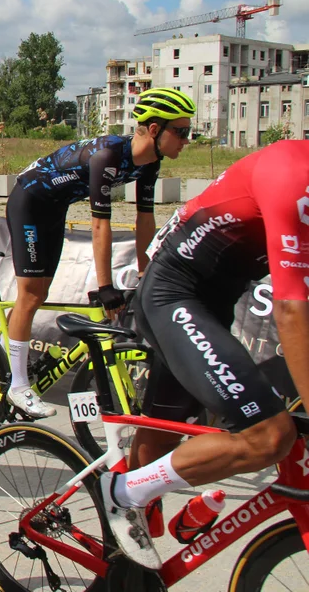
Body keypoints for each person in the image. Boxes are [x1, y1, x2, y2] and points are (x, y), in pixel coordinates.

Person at [97, 139, 309, 570]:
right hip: (175, 292)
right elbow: (291, 310)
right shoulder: (291, 173)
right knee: (270, 435)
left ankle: (129, 539)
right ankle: (120, 494)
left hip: (214, 298)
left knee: (165, 431)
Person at [4, 87, 194, 418]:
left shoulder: (150, 163)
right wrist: (105, 287)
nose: (186, 140)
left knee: (39, 291)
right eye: (181, 131)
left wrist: (145, 272)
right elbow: (99, 225)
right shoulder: (107, 155)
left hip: (55, 207)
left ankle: (12, 361)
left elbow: (144, 219)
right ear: (154, 130)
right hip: (30, 202)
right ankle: (17, 386)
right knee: (31, 296)